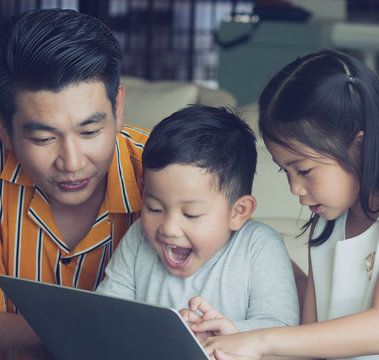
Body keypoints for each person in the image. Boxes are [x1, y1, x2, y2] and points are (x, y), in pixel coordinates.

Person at [202, 49, 379, 360]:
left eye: (304, 170)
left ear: (358, 145)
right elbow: (308, 346)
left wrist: (261, 341)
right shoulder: (324, 226)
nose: (295, 188)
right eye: (286, 171)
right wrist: (239, 341)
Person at [0, 8, 149, 352]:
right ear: (5, 130)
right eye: (43, 139)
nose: (72, 162)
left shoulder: (171, 169)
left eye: (90, 131)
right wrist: (97, 324)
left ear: (118, 107)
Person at [97, 104, 299, 338]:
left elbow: (282, 327)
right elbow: (107, 314)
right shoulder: (137, 237)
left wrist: (228, 333)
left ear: (238, 212)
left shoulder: (259, 246)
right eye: (154, 208)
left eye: (190, 214)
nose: (169, 229)